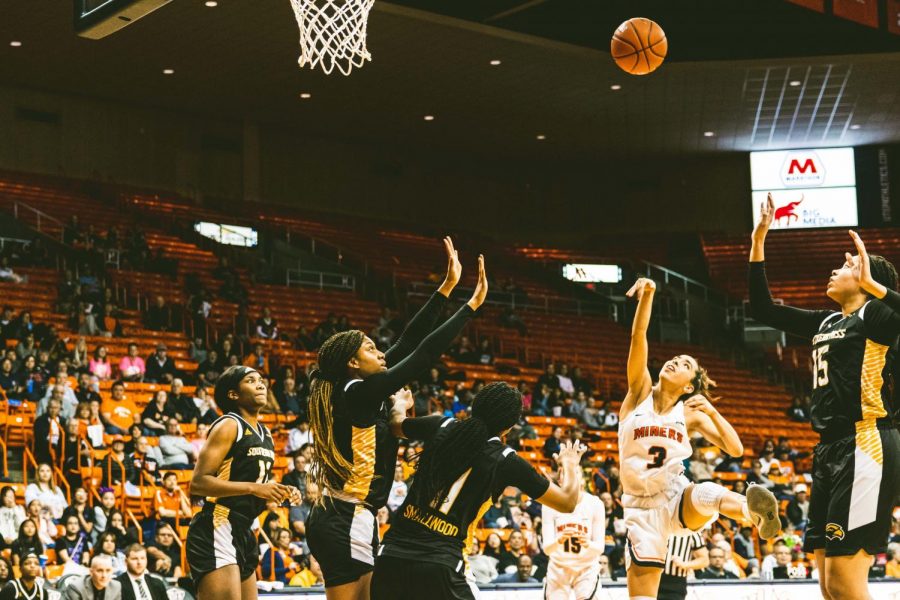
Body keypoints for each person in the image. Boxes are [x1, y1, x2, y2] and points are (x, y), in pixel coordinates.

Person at [306, 240, 484, 596]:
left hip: (350, 516)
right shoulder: (355, 392)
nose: (380, 351)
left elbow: (409, 339)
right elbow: (423, 353)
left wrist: (446, 288)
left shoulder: (357, 392)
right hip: (345, 516)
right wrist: (469, 308)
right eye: (370, 348)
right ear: (352, 363)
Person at [749, 198, 900, 600]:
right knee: (828, 587)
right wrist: (758, 240)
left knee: (846, 584)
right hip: (829, 448)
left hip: (866, 442)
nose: (836, 269)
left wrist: (876, 289)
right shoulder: (829, 320)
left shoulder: (878, 316)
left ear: (869, 280)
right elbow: (763, 308)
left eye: (848, 265)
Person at [618, 277, 779, 599]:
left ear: (689, 386)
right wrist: (648, 295)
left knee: (707, 492)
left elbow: (735, 449)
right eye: (675, 359)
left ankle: (755, 515)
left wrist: (715, 414)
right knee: (641, 596)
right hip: (640, 509)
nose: (675, 361)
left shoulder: (690, 414)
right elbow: (638, 336)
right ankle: (751, 514)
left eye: (684, 365)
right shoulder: (638, 394)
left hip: (676, 496)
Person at [373, 382, 587, 600]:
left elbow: (395, 424)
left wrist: (400, 403)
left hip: (390, 556)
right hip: (441, 565)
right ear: (509, 427)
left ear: (474, 406)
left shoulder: (441, 424)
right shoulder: (506, 460)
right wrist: (570, 463)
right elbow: (567, 502)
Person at [185, 366, 301, 600]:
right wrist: (256, 488)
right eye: (251, 381)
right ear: (233, 394)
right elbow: (197, 484)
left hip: (245, 528)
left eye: (261, 380)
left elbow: (253, 479)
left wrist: (279, 490)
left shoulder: (265, 433)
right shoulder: (229, 424)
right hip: (217, 523)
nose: (261, 385)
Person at [541, 468, 605, 600]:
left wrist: (587, 543)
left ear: (582, 478)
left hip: (586, 567)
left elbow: (600, 548)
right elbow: (547, 549)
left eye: (575, 472)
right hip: (558, 568)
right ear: (560, 480)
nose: (571, 477)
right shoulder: (548, 504)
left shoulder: (595, 503)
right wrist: (559, 540)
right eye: (567, 473)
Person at [656, 532, 708, 600]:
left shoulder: (692, 532)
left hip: (674, 583)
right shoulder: (655, 525)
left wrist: (685, 564)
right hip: (650, 577)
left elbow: (705, 560)